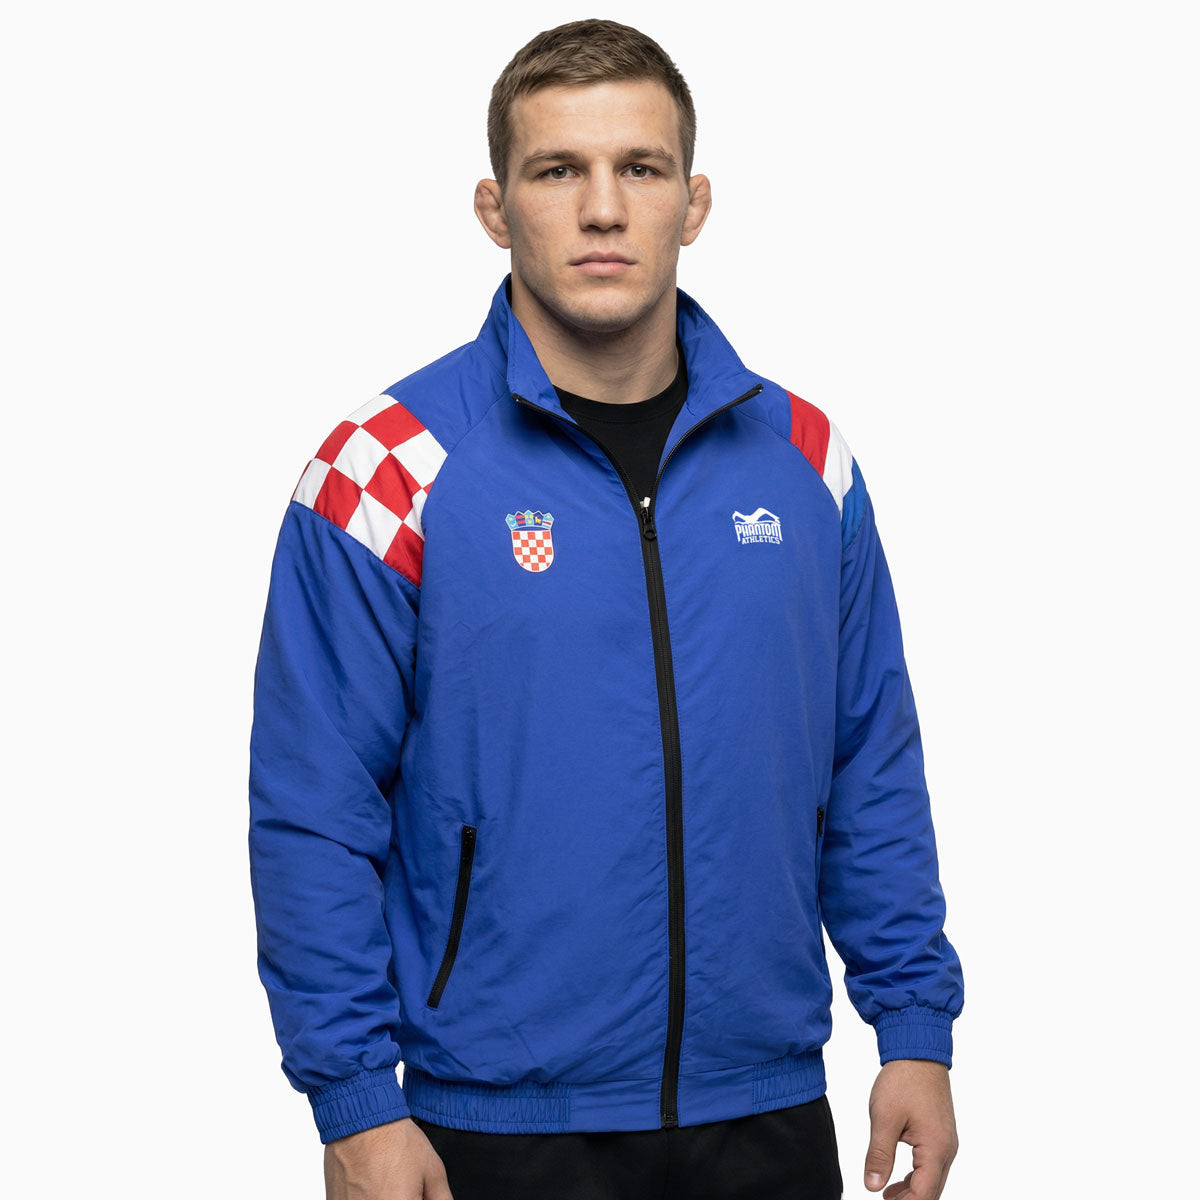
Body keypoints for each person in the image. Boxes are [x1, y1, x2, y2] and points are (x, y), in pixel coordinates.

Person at [248, 17, 964, 1200]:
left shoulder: (806, 459)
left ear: (694, 203)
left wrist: (915, 1030)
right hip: (489, 1124)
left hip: (768, 1112)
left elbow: (869, 764)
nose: (602, 209)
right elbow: (313, 809)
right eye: (557, 171)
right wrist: (355, 1102)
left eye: (640, 168)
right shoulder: (386, 468)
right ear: (494, 208)